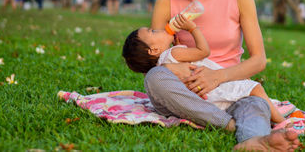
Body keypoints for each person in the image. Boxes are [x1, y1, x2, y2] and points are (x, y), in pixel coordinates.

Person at [144, 0, 301, 151]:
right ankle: (228, 124)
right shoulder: (165, 1)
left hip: (231, 89)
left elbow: (258, 60)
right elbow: (154, 56)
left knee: (255, 104)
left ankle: (252, 142)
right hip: (187, 93)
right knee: (154, 78)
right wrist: (176, 70)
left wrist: (217, 77)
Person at [122, 14, 291, 124]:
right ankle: (281, 122)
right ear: (153, 50)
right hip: (216, 88)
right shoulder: (174, 54)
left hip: (207, 100)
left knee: (253, 100)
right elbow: (204, 51)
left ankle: (261, 127)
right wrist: (192, 28)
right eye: (152, 32)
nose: (158, 29)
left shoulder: (162, 67)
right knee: (256, 88)